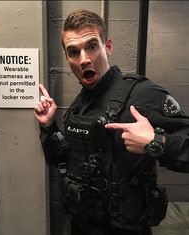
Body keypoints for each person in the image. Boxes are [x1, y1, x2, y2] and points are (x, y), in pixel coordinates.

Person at [34, 9, 189, 235]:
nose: (84, 59)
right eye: (74, 52)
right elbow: (60, 160)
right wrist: (48, 126)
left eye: (92, 46)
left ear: (107, 47)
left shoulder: (142, 95)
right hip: (82, 226)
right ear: (67, 58)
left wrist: (155, 142)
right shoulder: (79, 105)